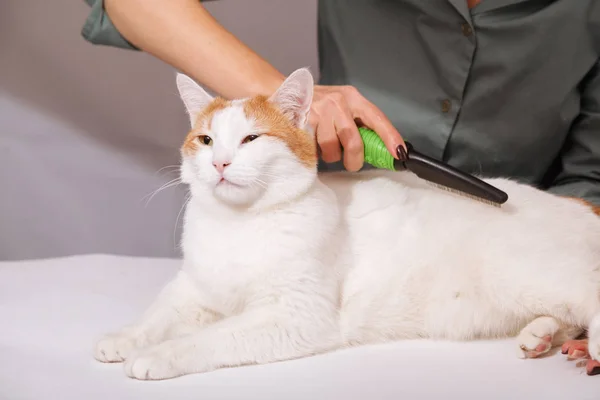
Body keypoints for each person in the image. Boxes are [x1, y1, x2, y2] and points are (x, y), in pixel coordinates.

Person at [81, 0, 600, 206]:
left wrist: (566, 259)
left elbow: (592, 182)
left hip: (513, 244)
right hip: (346, 229)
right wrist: (282, 102)